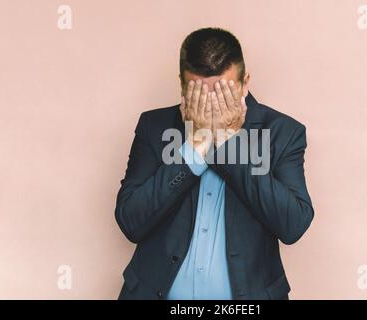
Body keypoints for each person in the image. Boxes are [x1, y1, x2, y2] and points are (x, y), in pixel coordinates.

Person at [115, 27, 314, 300]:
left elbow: (292, 225)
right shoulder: (154, 127)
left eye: (223, 93)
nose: (212, 105)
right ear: (182, 86)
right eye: (200, 93)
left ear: (245, 83)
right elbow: (131, 221)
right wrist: (194, 147)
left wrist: (228, 143)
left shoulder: (282, 132)